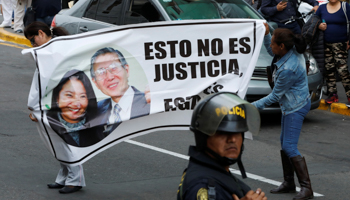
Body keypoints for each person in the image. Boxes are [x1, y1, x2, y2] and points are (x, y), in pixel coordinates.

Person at [252, 24, 314, 200]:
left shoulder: (289, 69)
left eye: (272, 43)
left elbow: (273, 97)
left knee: (289, 146)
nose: (270, 46)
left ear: (281, 47)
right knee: (284, 142)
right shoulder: (289, 50)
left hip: (296, 106)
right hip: (291, 104)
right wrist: (266, 34)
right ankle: (289, 183)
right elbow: (271, 51)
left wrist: (251, 106)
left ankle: (306, 188)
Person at [26, 22, 85, 194]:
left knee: (67, 141)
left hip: (64, 101)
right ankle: (64, 177)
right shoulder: (52, 49)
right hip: (55, 100)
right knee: (58, 141)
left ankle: (76, 179)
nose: (33, 44)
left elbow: (48, 80)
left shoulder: (56, 50)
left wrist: (35, 105)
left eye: (32, 40)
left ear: (41, 33)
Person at [177, 92, 267, 200]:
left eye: (237, 132)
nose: (232, 139)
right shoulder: (202, 186)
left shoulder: (216, 172)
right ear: (203, 137)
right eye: (222, 133)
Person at [90, 47, 150, 135]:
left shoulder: (151, 102)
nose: (109, 77)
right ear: (95, 82)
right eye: (101, 72)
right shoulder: (94, 111)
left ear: (126, 70)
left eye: (114, 68)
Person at [47, 70, 105, 147]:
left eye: (82, 96)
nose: (76, 103)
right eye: (69, 95)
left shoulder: (98, 124)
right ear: (57, 98)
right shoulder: (47, 121)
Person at [316, 0, 350, 107]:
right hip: (325, 44)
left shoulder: (345, 6)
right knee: (329, 70)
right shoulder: (322, 8)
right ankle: (332, 94)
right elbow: (314, 21)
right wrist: (319, 25)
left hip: (341, 44)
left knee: (342, 70)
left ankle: (349, 95)